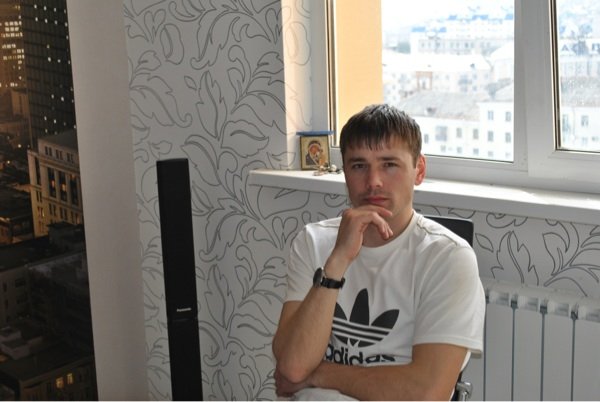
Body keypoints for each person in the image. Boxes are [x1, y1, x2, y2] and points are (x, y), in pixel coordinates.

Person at [272, 104, 486, 400]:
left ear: (419, 170)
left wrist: (319, 374)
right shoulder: (313, 241)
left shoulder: (448, 257)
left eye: (389, 164)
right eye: (359, 166)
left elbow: (428, 393)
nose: (373, 181)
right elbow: (292, 368)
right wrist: (337, 261)